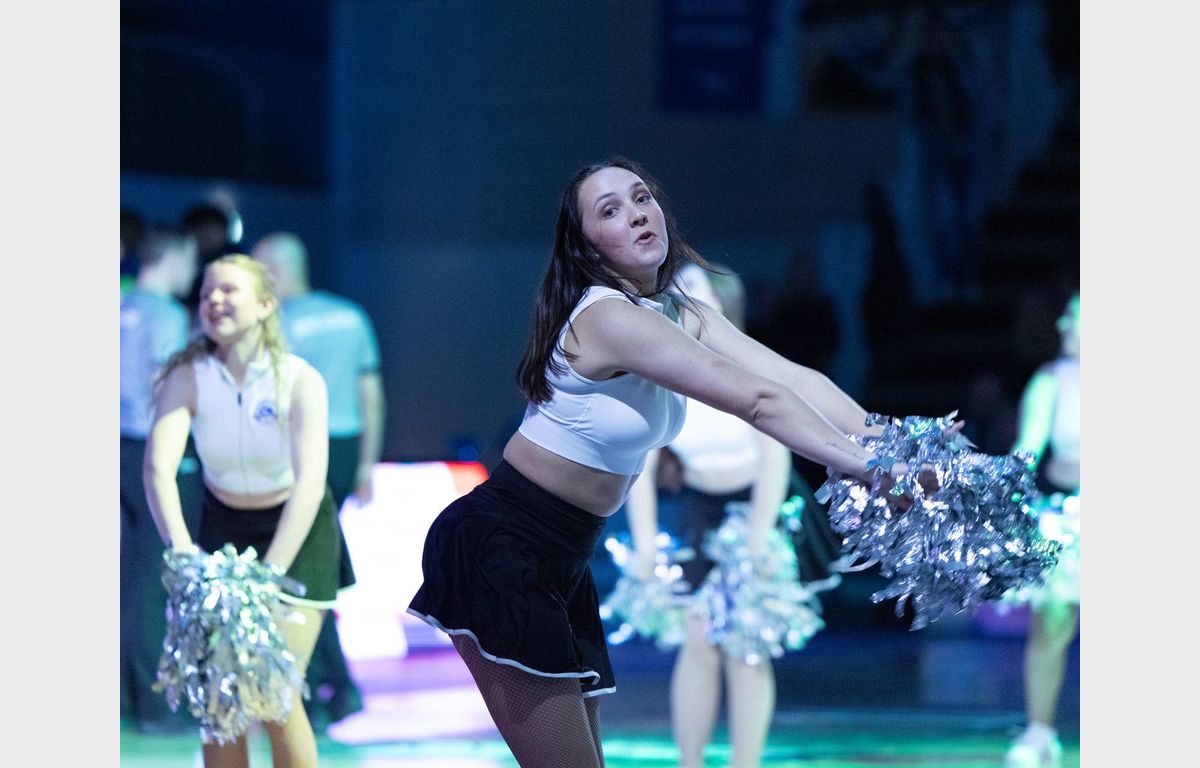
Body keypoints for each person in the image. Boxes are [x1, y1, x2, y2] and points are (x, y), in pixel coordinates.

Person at [407, 158, 929, 768]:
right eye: (610, 210)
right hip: (501, 548)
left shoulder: (679, 312)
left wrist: (900, 443)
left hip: (563, 559)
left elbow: (792, 379)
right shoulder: (607, 317)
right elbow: (759, 401)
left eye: (641, 198)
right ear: (586, 245)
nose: (636, 214)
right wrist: (871, 471)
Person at [143, 254, 355, 768]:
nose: (214, 300)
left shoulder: (300, 379)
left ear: (265, 305)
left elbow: (310, 483)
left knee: (273, 691)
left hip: (297, 534)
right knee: (220, 697)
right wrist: (183, 553)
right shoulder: (187, 377)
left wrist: (271, 572)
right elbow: (158, 469)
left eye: (228, 290)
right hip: (223, 533)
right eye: (206, 293)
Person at [621, 262, 804, 768]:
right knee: (699, 638)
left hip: (757, 505)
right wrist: (644, 546)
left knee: (746, 643)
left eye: (694, 289)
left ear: (722, 305)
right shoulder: (662, 375)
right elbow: (641, 467)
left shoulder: (751, 367)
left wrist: (758, 541)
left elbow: (775, 457)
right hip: (700, 510)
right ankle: (691, 761)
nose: (681, 296)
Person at [253, 231, 387, 727]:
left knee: (300, 569)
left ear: (272, 270)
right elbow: (371, 393)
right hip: (345, 448)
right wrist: (367, 463)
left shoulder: (270, 322)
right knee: (313, 565)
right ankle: (331, 684)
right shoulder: (351, 316)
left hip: (296, 452)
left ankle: (325, 685)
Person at [120, 227, 199, 731]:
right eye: (190, 261)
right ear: (172, 259)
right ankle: (155, 705)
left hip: (113, 448)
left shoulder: (116, 303)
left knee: (122, 575)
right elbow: (162, 384)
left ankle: (124, 699)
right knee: (154, 577)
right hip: (148, 449)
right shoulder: (167, 314)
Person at [1003, 292, 1080, 768]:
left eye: (1074, 315)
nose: (1062, 323)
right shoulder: (1051, 380)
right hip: (1069, 517)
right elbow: (1028, 450)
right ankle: (1039, 731)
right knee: (1051, 619)